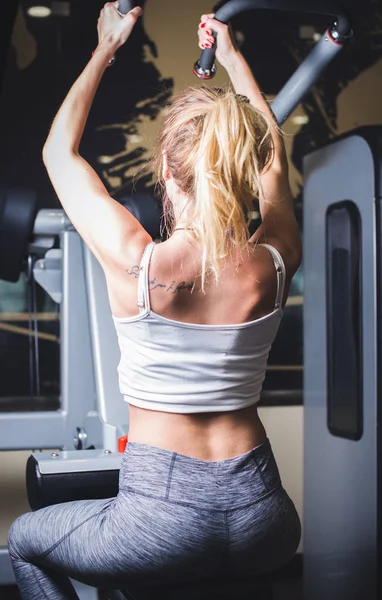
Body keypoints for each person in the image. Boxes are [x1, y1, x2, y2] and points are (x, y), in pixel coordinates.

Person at [8, 3, 302, 598]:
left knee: (23, 538)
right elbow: (273, 162)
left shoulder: (138, 263)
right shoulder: (274, 260)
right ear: (240, 171)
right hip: (266, 516)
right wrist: (233, 58)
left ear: (166, 168)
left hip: (163, 519)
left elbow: (59, 154)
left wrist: (104, 48)